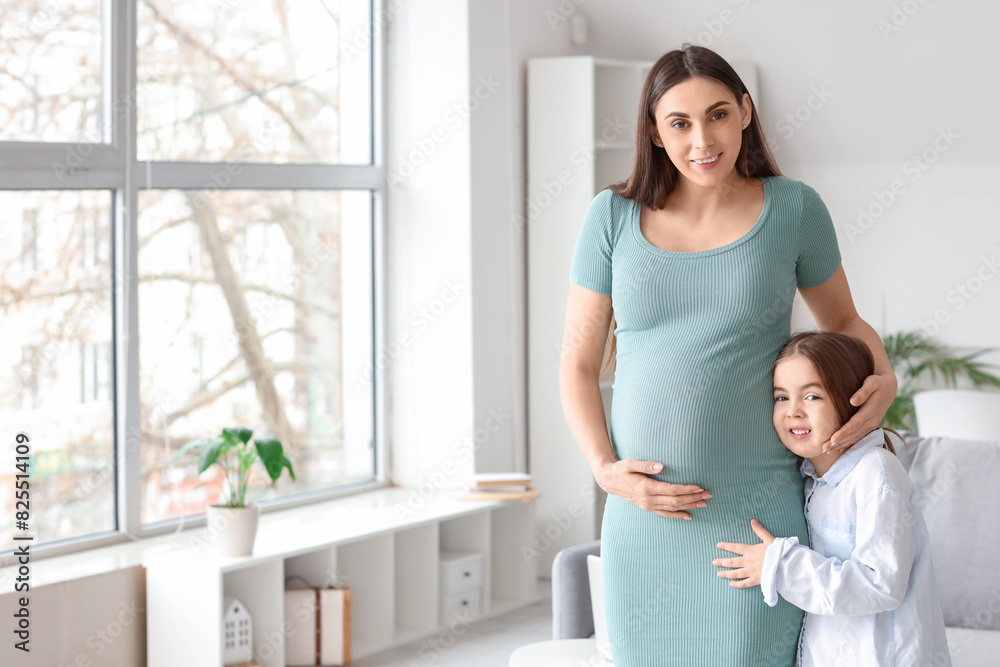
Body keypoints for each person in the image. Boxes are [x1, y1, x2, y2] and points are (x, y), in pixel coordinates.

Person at [558, 43, 897, 666]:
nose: (702, 140)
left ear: (744, 111)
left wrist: (885, 378)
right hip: (645, 518)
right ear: (655, 134)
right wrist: (606, 471)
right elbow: (577, 365)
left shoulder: (793, 208)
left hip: (754, 518)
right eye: (679, 123)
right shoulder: (611, 217)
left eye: (717, 114)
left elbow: (844, 321)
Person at [712, 331, 951, 666]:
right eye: (781, 397)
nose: (793, 411)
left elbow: (881, 584)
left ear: (851, 399)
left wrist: (780, 564)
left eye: (811, 397)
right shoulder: (810, 478)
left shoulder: (878, 475)